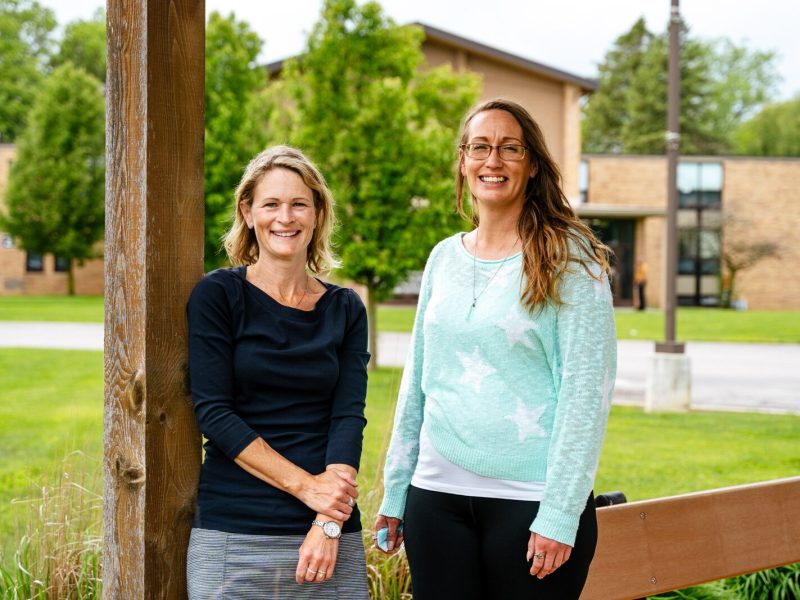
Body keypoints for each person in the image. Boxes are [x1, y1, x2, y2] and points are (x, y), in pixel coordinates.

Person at [375, 99, 617, 600]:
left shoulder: (567, 255)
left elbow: (585, 393)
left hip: (529, 503)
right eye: (480, 147)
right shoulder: (444, 257)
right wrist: (397, 487)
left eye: (510, 148)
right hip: (436, 496)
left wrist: (560, 511)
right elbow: (418, 378)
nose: (493, 161)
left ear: (531, 165)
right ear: (462, 161)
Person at [186, 145, 370, 599]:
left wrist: (327, 522)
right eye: (271, 204)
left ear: (317, 213)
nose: (284, 217)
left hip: (327, 535)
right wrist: (310, 490)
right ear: (248, 212)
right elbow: (213, 412)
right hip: (235, 527)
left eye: (298, 204)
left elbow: (348, 417)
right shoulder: (218, 295)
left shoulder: (345, 308)